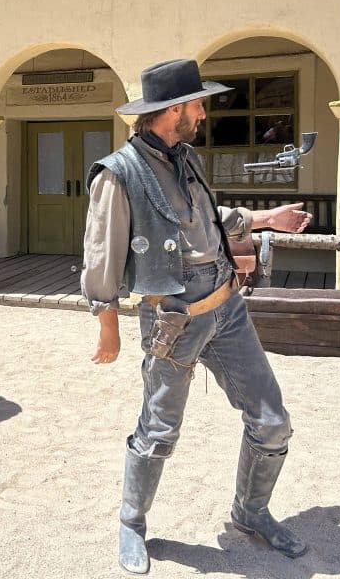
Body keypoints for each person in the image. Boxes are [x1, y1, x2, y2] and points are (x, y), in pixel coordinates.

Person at [81, 59, 313, 574]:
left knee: (272, 422)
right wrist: (107, 326)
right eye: (199, 105)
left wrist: (266, 218)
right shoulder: (118, 173)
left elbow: (208, 219)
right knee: (159, 431)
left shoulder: (185, 158)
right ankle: (131, 523)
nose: (204, 114)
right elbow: (101, 255)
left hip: (227, 308)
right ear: (174, 110)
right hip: (173, 319)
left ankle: (251, 513)